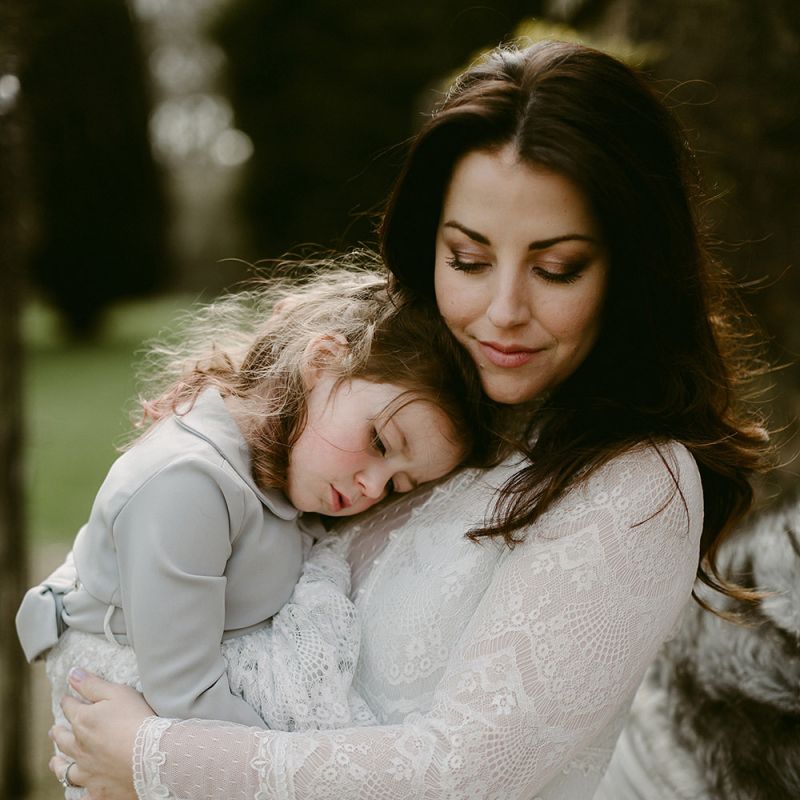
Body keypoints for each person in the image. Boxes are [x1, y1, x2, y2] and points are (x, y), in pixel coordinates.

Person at [48, 39, 771, 800]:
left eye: (556, 269)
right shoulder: (402, 390)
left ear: (632, 269)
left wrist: (155, 759)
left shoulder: (638, 485)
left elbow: (465, 772)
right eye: (467, 259)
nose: (503, 313)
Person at [19, 269, 490, 793]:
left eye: (400, 484)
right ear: (322, 362)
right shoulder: (189, 485)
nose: (373, 488)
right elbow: (186, 698)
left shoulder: (292, 473)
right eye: (380, 442)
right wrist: (313, 771)